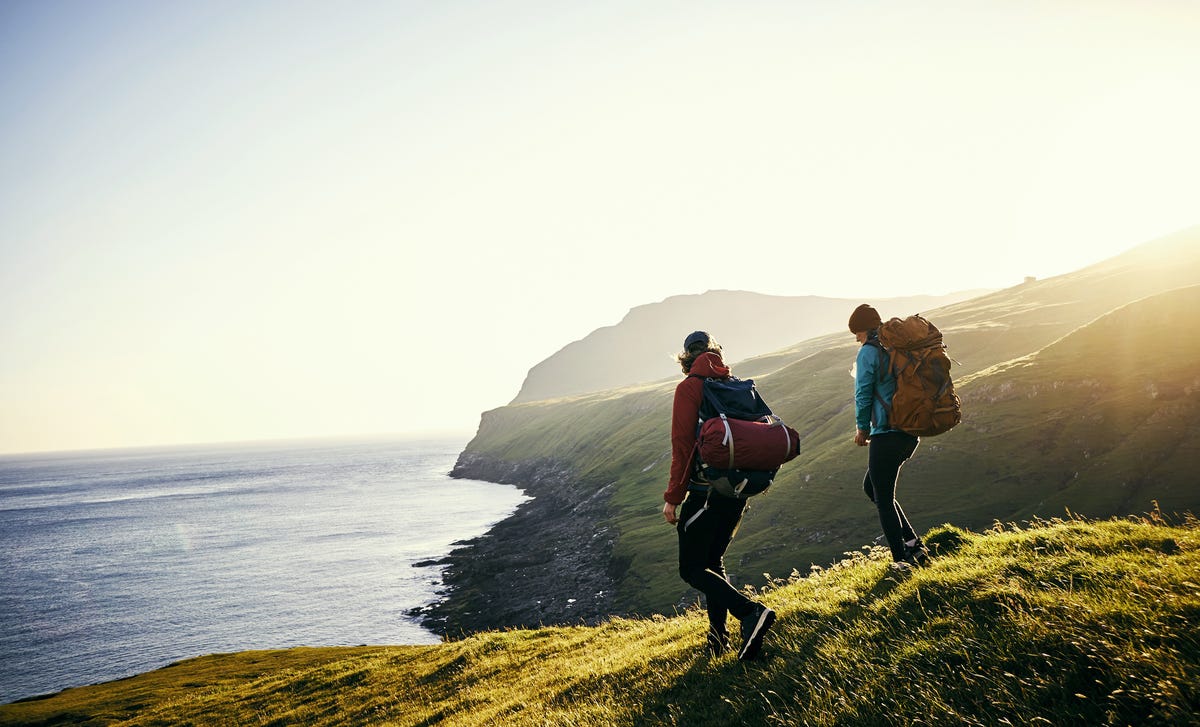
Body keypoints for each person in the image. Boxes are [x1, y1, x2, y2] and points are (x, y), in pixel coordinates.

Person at [662, 330, 776, 660]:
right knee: (713, 562)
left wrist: (673, 497)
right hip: (738, 489)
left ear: (686, 358)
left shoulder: (689, 388)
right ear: (716, 353)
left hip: (705, 492)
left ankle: (750, 613)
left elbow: (682, 447)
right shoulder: (735, 383)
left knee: (691, 569)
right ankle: (717, 640)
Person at [848, 304, 930, 571]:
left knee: (882, 496)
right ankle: (913, 545)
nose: (856, 338)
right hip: (909, 432)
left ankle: (901, 560)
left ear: (863, 329)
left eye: (856, 333)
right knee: (872, 487)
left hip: (888, 434)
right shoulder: (894, 349)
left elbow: (863, 394)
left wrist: (862, 428)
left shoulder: (868, 353)